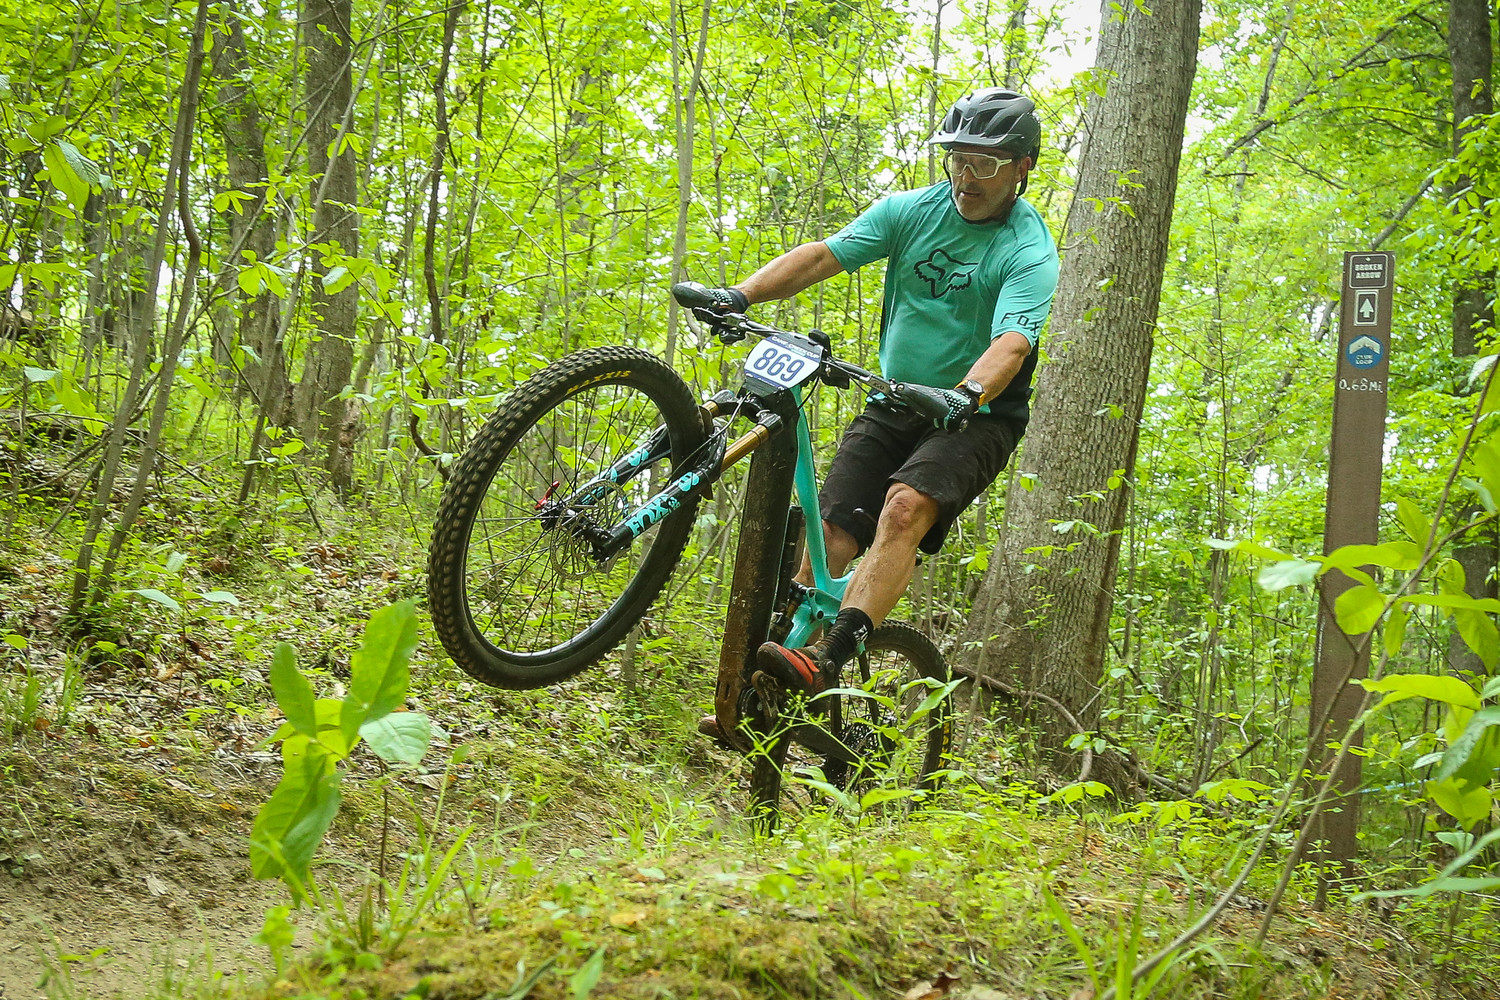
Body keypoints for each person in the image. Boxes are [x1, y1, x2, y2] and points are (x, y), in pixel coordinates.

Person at [702, 87, 1060, 723]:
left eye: (985, 163)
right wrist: (740, 295)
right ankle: (773, 688)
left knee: (903, 509)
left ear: (1022, 167)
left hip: (977, 415)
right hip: (894, 399)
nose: (966, 176)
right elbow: (823, 256)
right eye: (958, 159)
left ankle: (831, 657)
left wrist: (965, 395)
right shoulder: (912, 211)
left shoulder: (1028, 250)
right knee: (830, 532)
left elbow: (1011, 342)